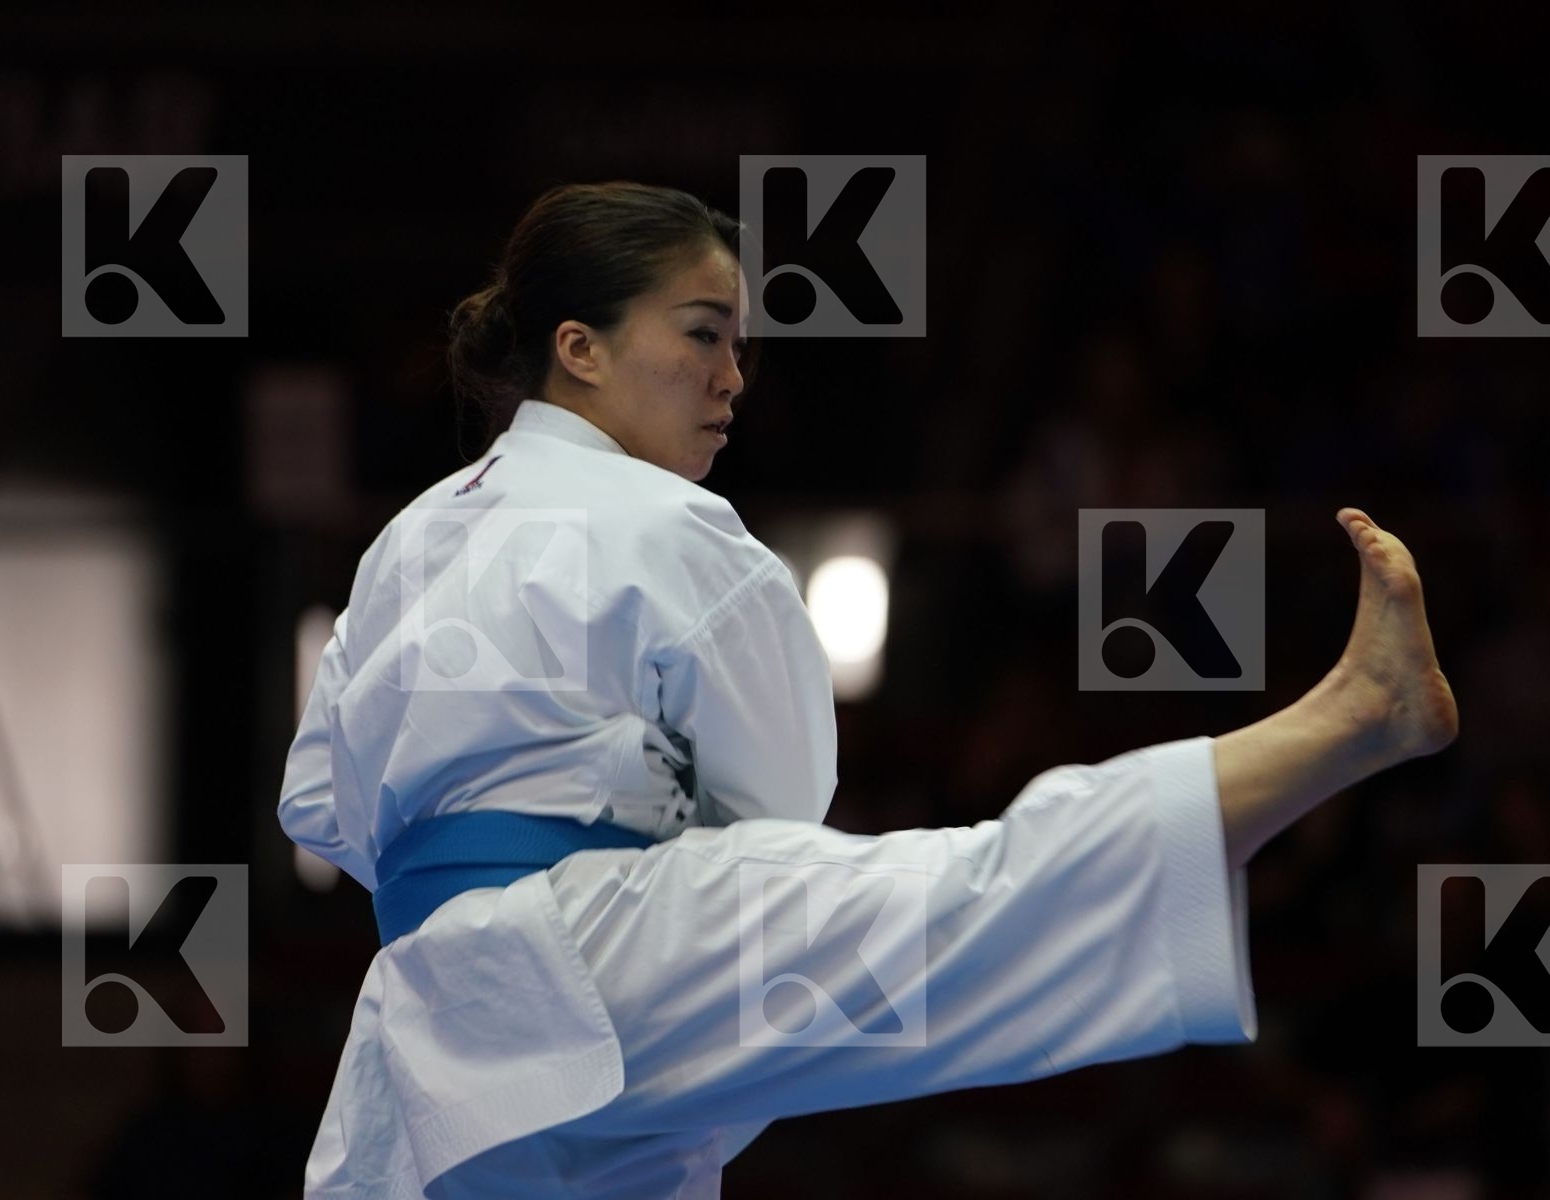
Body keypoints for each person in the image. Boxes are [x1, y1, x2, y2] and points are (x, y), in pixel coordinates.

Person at [277, 181, 1459, 1199]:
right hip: (606, 944)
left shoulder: (406, 538)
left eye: (739, 343)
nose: (732, 377)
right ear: (578, 347)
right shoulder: (669, 521)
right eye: (702, 335)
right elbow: (782, 799)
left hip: (434, 1013)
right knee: (970, 901)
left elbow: (322, 803)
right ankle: (1350, 718)